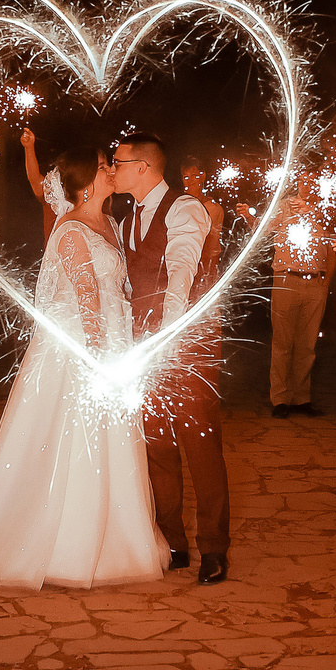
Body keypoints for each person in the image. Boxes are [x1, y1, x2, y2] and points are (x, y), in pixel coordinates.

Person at [0, 150, 170, 589]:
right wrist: (100, 361)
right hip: (79, 350)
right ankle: (54, 544)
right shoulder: (71, 230)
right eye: (102, 167)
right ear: (83, 185)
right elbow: (86, 298)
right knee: (68, 434)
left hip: (113, 342)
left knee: (108, 441)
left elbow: (119, 291)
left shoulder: (110, 224)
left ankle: (116, 537)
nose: (111, 171)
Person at [110, 135, 230, 583]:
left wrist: (169, 330)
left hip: (189, 347)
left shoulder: (185, 208)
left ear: (142, 167)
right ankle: (173, 543)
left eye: (118, 162)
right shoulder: (125, 219)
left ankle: (215, 550)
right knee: (157, 446)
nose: (112, 169)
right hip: (142, 346)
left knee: (200, 447)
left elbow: (182, 268)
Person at [266, 191, 336, 416]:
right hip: (287, 279)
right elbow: (264, 231)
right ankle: (280, 399)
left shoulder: (326, 208)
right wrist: (249, 216)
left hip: (315, 281)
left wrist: (326, 283)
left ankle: (301, 398)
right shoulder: (284, 206)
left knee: (307, 345)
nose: (307, 184)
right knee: (282, 343)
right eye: (303, 179)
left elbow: (334, 247)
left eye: (311, 179)